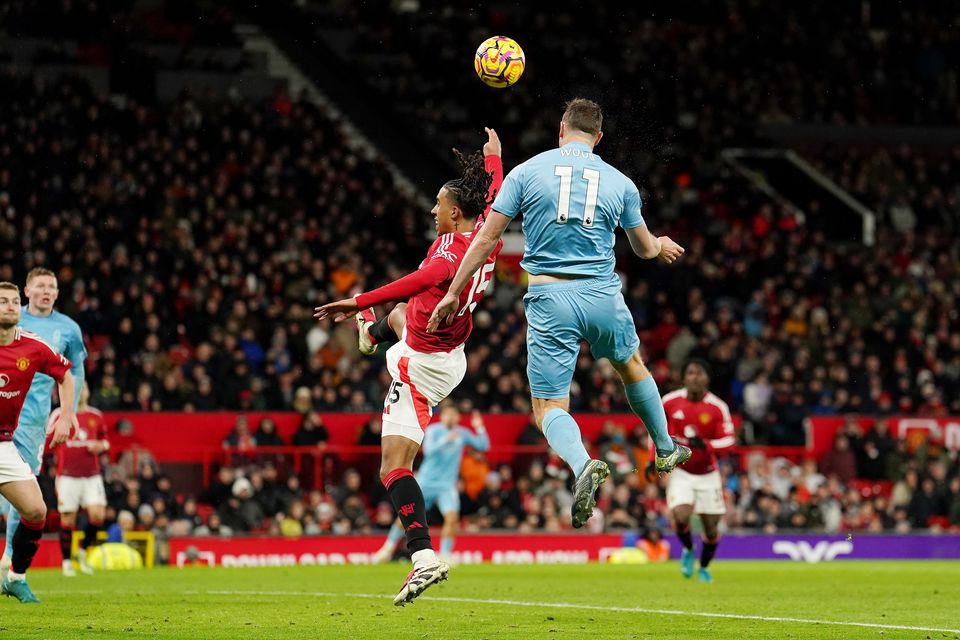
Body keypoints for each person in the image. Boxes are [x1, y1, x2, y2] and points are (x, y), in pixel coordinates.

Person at [428, 98, 690, 529]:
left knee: (549, 404)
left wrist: (454, 292)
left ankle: (583, 464)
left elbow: (485, 238)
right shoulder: (620, 182)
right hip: (603, 294)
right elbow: (644, 249)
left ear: (561, 129)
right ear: (598, 137)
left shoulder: (527, 172)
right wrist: (659, 243)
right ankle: (664, 446)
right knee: (631, 366)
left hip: (551, 297)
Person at [315, 127, 503, 606]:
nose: (432, 210)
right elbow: (497, 197)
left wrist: (354, 301)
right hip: (443, 349)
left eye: (437, 205)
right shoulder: (487, 233)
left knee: (393, 467)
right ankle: (371, 336)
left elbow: (410, 282)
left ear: (453, 213)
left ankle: (423, 558)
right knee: (399, 318)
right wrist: (494, 160)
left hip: (421, 366)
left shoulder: (448, 259)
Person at [1, 268, 87, 579]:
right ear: (27, 290)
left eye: (52, 286)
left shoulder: (68, 329)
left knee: (29, 497)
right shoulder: (11, 318)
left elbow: (74, 372)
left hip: (33, 418)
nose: (46, 291)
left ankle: (10, 558)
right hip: (8, 412)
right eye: (40, 285)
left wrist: (69, 412)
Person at [648, 359, 735, 583]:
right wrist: (652, 458)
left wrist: (706, 445)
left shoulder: (717, 407)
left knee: (711, 527)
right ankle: (688, 549)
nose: (694, 377)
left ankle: (704, 567)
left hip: (708, 473)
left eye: (699, 373)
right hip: (681, 471)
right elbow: (654, 430)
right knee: (680, 514)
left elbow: (730, 441)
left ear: (706, 378)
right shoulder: (669, 402)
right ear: (684, 377)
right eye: (690, 373)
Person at [372, 404, 489, 564]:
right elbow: (428, 450)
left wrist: (479, 427)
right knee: (407, 515)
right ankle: (386, 549)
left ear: (458, 418)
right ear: (442, 417)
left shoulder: (462, 433)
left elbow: (484, 446)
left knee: (452, 518)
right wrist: (445, 440)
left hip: (446, 486)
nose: (451, 418)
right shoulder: (434, 430)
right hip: (426, 482)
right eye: (448, 415)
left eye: (454, 415)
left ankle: (445, 554)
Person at [48, 382, 109, 576]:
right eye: (78, 387)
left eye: (84, 387)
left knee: (98, 515)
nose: (82, 391)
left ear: (89, 392)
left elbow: (105, 440)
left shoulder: (96, 416)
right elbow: (47, 438)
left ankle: (82, 552)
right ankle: (66, 562)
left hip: (92, 475)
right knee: (68, 518)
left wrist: (102, 446)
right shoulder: (59, 414)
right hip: (68, 475)